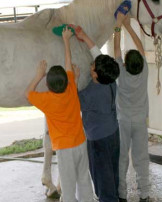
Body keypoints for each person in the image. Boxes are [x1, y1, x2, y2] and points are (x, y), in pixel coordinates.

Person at [25, 27, 93, 202]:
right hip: (80, 142)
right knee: (84, 180)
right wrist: (66, 40)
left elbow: (28, 93)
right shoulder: (71, 88)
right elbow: (68, 64)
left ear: (48, 86)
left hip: (64, 149)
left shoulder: (46, 100)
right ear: (67, 79)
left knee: (68, 186)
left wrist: (38, 75)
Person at [74, 16, 122, 202]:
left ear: (94, 74)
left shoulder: (90, 94)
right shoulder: (110, 79)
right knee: (111, 174)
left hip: (98, 140)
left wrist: (76, 79)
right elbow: (99, 57)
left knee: (102, 181)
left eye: (92, 66)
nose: (91, 65)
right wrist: (84, 36)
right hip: (113, 135)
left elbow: (74, 100)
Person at [114, 14, 150, 202]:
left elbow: (116, 51)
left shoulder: (120, 72)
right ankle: (144, 193)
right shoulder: (144, 70)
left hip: (123, 121)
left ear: (126, 63)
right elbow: (141, 48)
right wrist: (129, 26)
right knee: (141, 158)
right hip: (140, 121)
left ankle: (122, 194)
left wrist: (118, 25)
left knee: (122, 159)